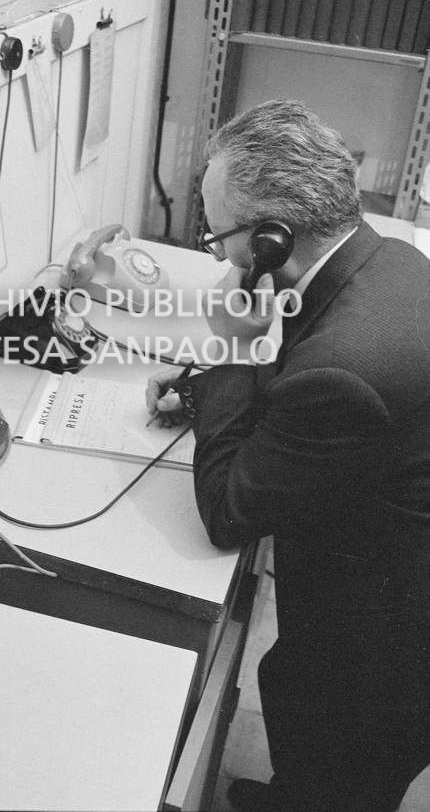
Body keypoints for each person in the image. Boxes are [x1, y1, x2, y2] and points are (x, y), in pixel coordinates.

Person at [146, 100, 430, 812]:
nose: (218, 253)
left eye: (218, 237)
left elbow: (228, 509)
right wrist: (206, 387)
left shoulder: (350, 368)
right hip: (391, 578)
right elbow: (305, 385)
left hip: (380, 650)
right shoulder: (385, 258)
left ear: (273, 237)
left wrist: (232, 347)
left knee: (334, 769)